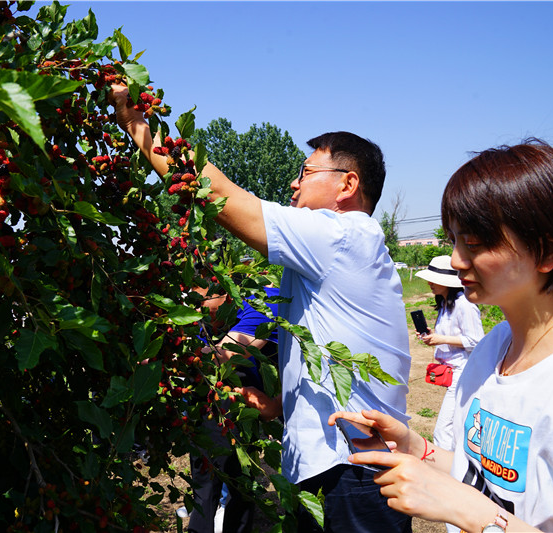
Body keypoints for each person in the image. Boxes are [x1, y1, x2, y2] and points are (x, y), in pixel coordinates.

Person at [109, 86, 412, 532]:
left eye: (305, 172)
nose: (294, 183)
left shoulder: (340, 235)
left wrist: (137, 124)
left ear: (347, 185)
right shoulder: (336, 252)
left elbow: (217, 195)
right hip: (340, 466)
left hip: (355, 471)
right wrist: (279, 407)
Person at [329, 141, 553, 533]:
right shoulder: (493, 348)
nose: (456, 260)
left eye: (474, 243)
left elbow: (471, 503)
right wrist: (414, 446)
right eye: (453, 240)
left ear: (546, 252)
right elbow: (476, 474)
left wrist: (469, 512)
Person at [188, 285, 279, 533]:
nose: (196, 311)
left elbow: (220, 356)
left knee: (240, 483)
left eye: (201, 301)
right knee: (204, 483)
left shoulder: (263, 305)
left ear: (225, 293)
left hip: (245, 400)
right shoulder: (202, 320)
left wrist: (169, 357)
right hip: (210, 399)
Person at [414, 255, 484, 450]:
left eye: (434, 280)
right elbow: (452, 335)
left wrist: (441, 339)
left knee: (443, 430)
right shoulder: (446, 303)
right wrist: (432, 336)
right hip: (451, 371)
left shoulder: (464, 304)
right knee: (455, 425)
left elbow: (477, 340)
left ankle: (445, 465)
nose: (429, 283)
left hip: (463, 370)